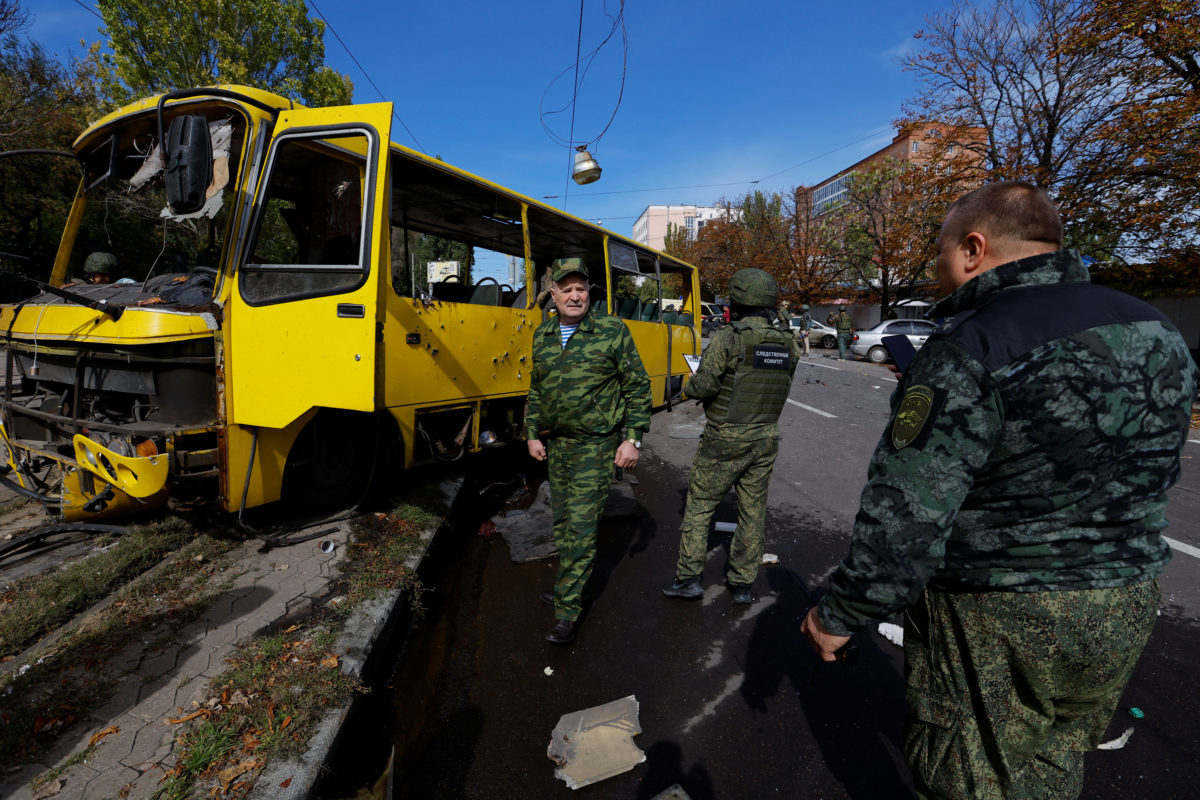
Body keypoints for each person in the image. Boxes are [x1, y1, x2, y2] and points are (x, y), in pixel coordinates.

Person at [801, 181, 1196, 799]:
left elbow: (907, 515)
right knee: (1054, 762)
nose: (937, 268)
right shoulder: (1153, 327)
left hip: (1002, 615)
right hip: (1126, 599)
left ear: (974, 248)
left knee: (971, 779)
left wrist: (843, 613)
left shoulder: (971, 346)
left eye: (941, 250)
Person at [526, 258, 652, 645]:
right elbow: (536, 390)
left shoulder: (612, 331)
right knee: (563, 523)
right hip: (558, 446)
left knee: (580, 530)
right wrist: (532, 434)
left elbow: (638, 386)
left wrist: (633, 439)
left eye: (581, 288)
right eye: (567, 289)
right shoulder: (543, 334)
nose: (575, 295)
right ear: (554, 294)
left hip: (595, 448)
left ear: (589, 293)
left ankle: (567, 611)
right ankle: (570, 586)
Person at [662, 268, 801, 604]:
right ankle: (741, 585)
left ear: (737, 299)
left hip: (725, 436)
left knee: (699, 507)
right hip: (765, 437)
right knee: (752, 513)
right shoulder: (787, 342)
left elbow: (706, 384)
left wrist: (688, 386)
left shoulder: (729, 337)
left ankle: (689, 580)